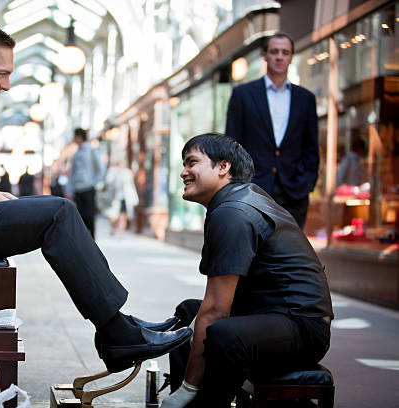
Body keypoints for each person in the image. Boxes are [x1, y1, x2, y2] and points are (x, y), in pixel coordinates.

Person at [0, 21, 191, 373]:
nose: (6, 85)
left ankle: (120, 326)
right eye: (1, 74)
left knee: (58, 212)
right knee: (59, 212)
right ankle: (117, 331)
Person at [160, 133, 333, 408]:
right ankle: (188, 400)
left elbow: (217, 309)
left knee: (222, 334)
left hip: (302, 328)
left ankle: (198, 400)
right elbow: (215, 305)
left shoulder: (234, 211)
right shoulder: (232, 203)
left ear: (223, 167)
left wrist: (188, 388)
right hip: (269, 315)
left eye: (192, 162)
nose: (184, 172)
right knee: (189, 312)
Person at [225, 32, 319, 229]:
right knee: (255, 253)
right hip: (253, 190)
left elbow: (311, 147)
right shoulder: (243, 95)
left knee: (289, 255)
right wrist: (238, 184)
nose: (279, 57)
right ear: (264, 55)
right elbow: (232, 144)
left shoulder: (306, 99)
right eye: (274, 51)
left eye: (285, 52)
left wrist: (306, 183)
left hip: (294, 192)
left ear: (291, 57)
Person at [67, 128, 104, 238]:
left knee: (89, 215)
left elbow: (101, 169)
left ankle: (91, 239)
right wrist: (70, 189)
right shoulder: (76, 154)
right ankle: (83, 238)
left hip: (88, 188)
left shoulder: (92, 150)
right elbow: (72, 173)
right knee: (80, 216)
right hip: (78, 189)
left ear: (79, 137)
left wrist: (93, 183)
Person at [104, 161, 139, 237]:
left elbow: (130, 186)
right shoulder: (112, 172)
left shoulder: (127, 173)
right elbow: (108, 183)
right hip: (114, 198)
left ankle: (120, 233)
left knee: (123, 215)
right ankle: (112, 228)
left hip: (125, 198)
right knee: (113, 215)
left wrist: (134, 198)